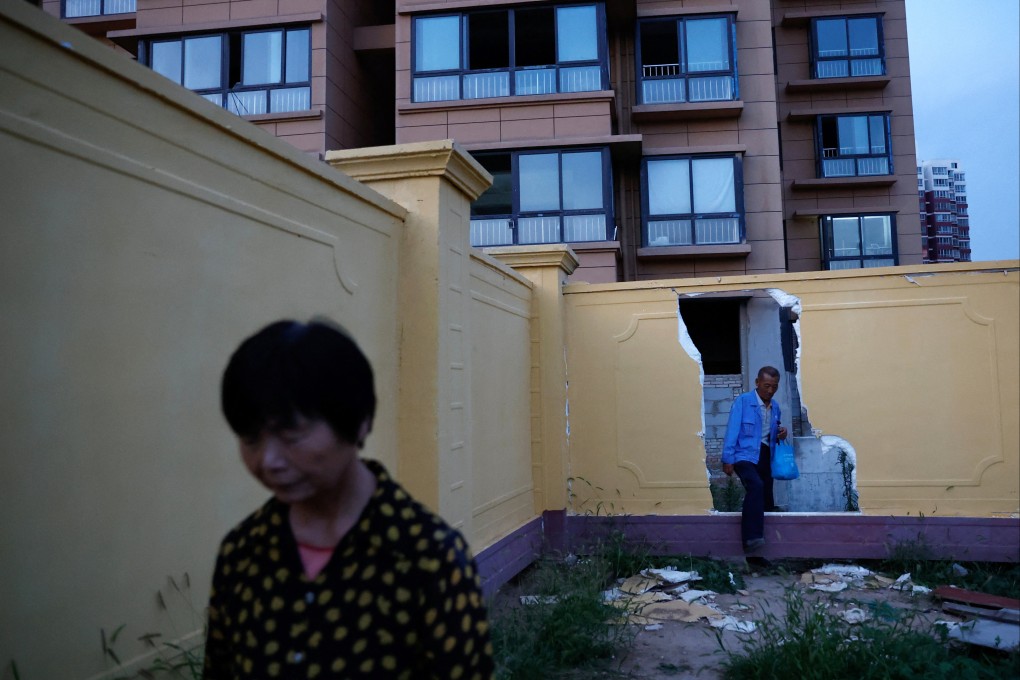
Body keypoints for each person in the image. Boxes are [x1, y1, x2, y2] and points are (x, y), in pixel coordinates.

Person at [203, 319, 494, 679]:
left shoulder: (429, 559)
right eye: (250, 440)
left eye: (291, 434)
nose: (269, 461)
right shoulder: (241, 555)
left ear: (359, 421)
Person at [721, 366, 788, 553]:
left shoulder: (775, 407)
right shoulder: (743, 402)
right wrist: (728, 459)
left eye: (774, 387)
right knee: (755, 486)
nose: (770, 390)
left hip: (766, 455)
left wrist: (781, 433)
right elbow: (732, 430)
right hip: (744, 455)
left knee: (766, 498)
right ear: (757, 383)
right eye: (766, 385)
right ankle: (751, 538)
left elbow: (771, 434)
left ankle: (760, 555)